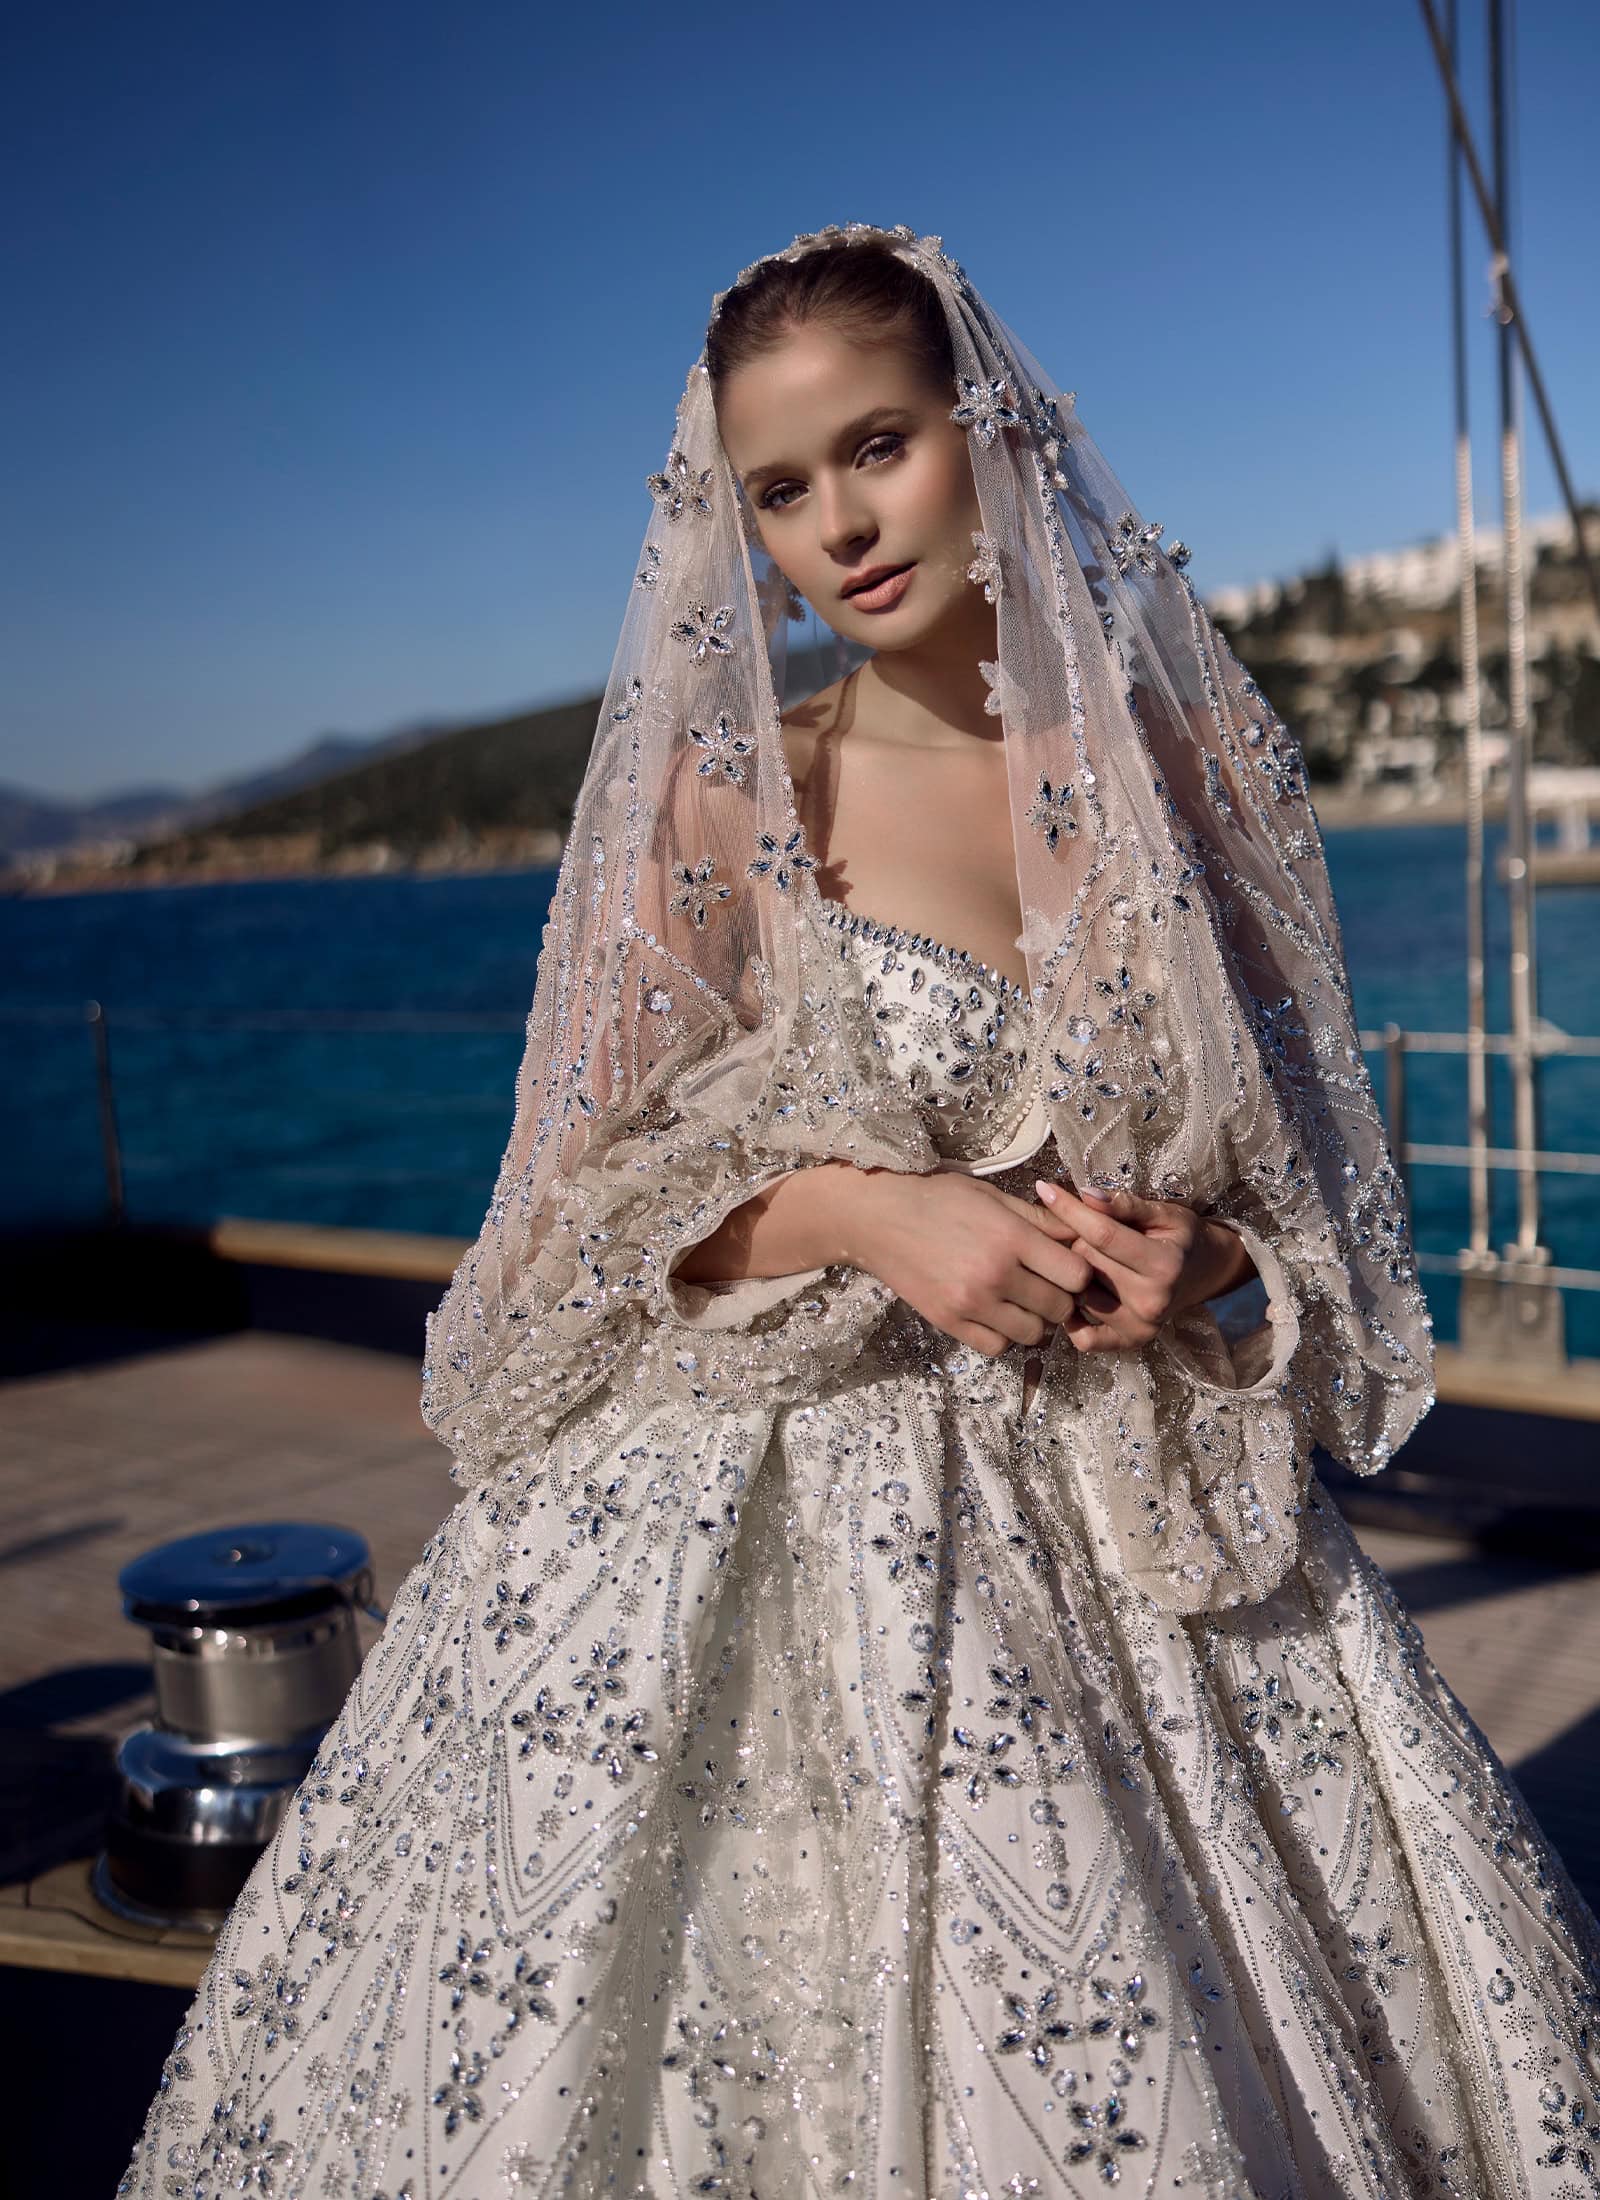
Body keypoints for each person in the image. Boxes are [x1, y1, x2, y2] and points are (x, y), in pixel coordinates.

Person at [120, 224, 1600, 2200]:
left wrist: (1216, 1255)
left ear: (987, 429)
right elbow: (570, 1230)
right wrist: (855, 1210)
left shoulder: (1191, 774)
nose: (836, 524)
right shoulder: (738, 802)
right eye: (779, 488)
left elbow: (1305, 1162)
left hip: (1132, 1519)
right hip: (778, 1518)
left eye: (878, 446)